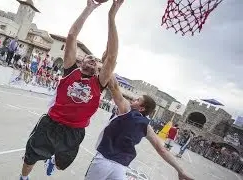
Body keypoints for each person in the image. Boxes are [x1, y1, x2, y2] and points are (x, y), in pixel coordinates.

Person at [20, 0, 124, 179]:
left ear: (98, 68)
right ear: (80, 62)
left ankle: (52, 160)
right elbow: (71, 36)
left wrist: (111, 15)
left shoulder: (99, 83)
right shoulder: (70, 71)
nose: (93, 60)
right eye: (89, 58)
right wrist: (89, 8)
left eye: (96, 60)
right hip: (50, 124)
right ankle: (23, 178)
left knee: (61, 167)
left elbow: (112, 56)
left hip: (74, 132)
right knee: (30, 157)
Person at [85, 75, 194, 180]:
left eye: (137, 100)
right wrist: (181, 171)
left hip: (103, 161)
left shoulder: (126, 110)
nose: (133, 100)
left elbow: (113, 86)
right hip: (120, 168)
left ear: (141, 108)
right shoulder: (146, 126)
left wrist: (107, 62)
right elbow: (162, 150)